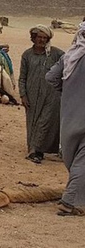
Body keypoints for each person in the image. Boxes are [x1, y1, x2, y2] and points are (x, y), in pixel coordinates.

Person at [45, 22, 85, 216]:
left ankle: (78, 200)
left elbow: (51, 77)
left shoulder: (68, 57)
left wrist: (67, 92)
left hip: (69, 116)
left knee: (74, 158)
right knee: (83, 161)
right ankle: (69, 202)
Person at [19, 25, 65, 164]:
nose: (42, 40)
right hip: (31, 95)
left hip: (51, 96)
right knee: (32, 122)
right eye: (39, 37)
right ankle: (33, 149)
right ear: (34, 38)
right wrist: (23, 95)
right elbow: (22, 77)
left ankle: (37, 150)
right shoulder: (27, 55)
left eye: (45, 38)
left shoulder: (56, 54)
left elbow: (69, 62)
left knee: (45, 122)